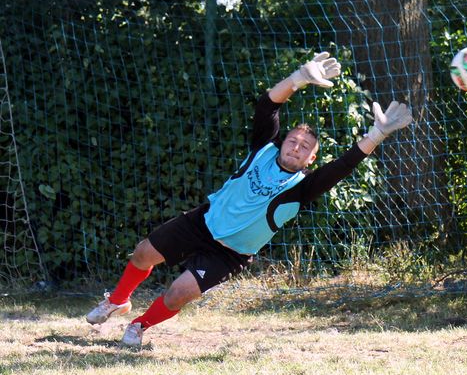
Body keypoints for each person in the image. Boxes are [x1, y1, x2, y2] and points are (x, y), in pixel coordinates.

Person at [85, 52, 412, 347]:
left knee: (177, 294)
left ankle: (139, 325)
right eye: (293, 140)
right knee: (143, 254)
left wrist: (376, 135)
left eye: (304, 147)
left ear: (310, 159)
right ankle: (117, 300)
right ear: (284, 141)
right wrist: (298, 78)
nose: (295, 147)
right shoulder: (264, 149)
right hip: (203, 221)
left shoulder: (301, 187)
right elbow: (268, 105)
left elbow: (342, 166)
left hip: (229, 254)